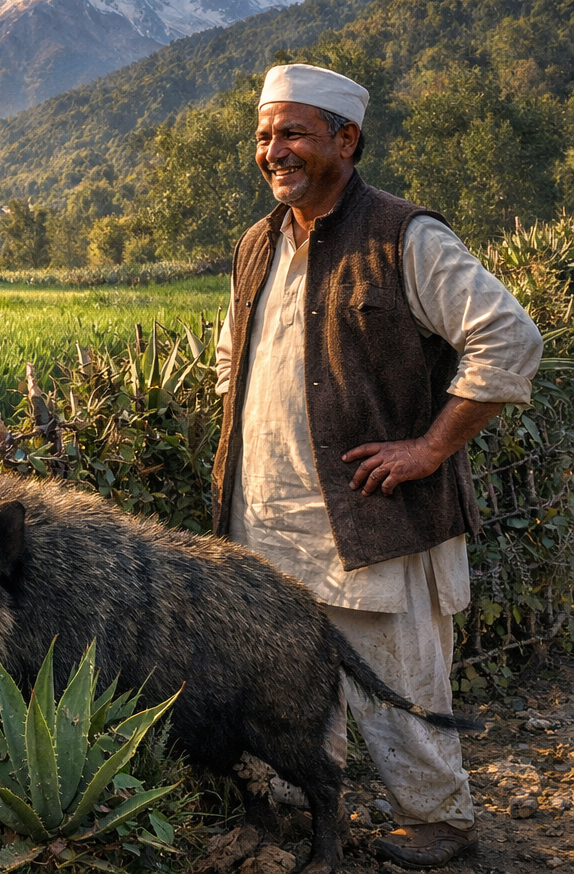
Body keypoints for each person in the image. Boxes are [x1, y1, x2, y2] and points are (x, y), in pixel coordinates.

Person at [213, 63, 543, 868]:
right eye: (264, 136)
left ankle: (439, 821)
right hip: (268, 514)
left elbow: (509, 340)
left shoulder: (405, 235)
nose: (274, 150)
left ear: (345, 138)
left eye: (292, 132)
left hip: (373, 511)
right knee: (283, 672)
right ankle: (303, 804)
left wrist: (429, 448)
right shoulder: (257, 244)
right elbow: (231, 362)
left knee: (401, 678)